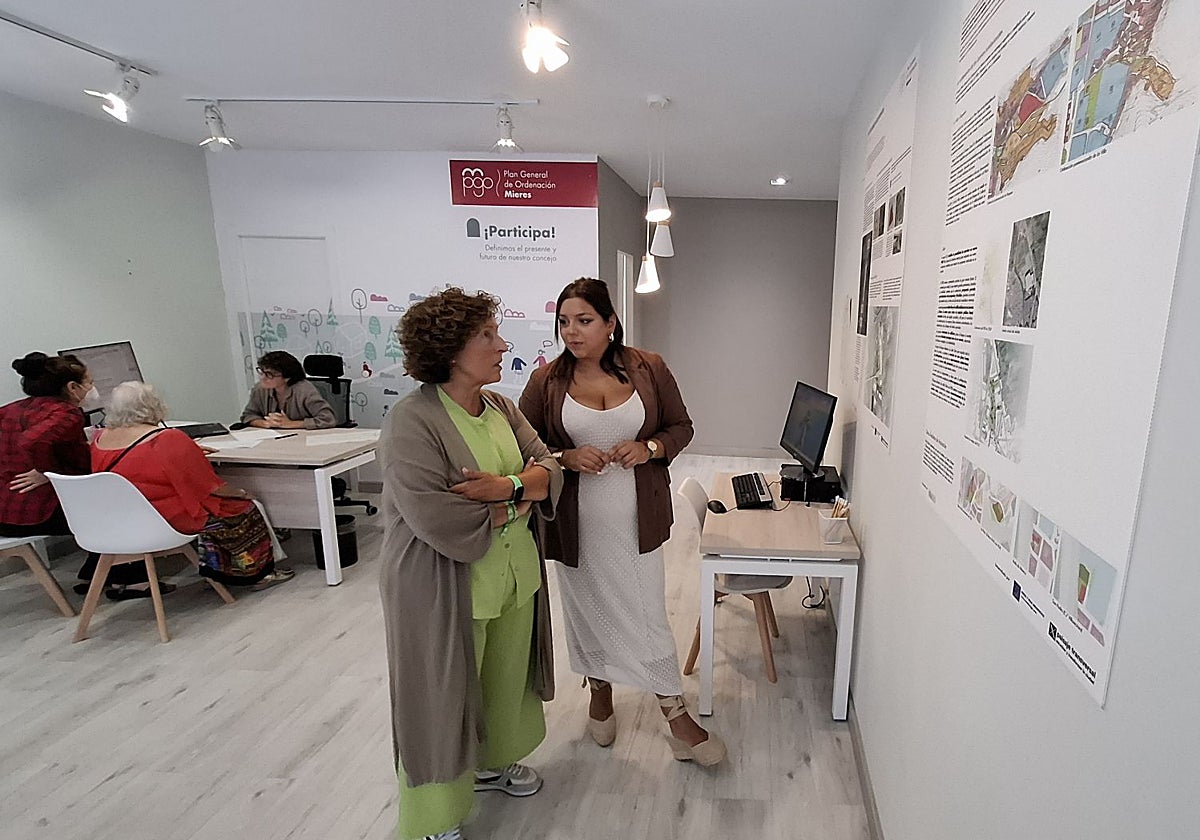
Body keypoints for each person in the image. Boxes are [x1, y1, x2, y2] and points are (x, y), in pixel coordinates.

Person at [379, 287, 562, 840]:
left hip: (511, 579)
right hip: (441, 584)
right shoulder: (411, 421)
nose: (502, 343)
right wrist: (521, 500)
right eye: (488, 335)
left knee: (504, 680)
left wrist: (506, 488)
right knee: (438, 700)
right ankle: (435, 817)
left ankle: (489, 765)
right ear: (452, 349)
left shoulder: (502, 407)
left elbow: (548, 466)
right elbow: (436, 515)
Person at [519, 278, 726, 766]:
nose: (572, 331)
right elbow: (522, 449)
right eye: (564, 321)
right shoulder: (546, 381)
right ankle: (601, 691)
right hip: (576, 528)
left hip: (638, 523)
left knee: (647, 616)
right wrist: (565, 457)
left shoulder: (648, 367)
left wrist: (649, 447)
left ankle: (675, 715)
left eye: (584, 321)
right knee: (588, 611)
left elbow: (681, 426)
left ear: (610, 323)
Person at [91, 381, 293, 591]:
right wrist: (241, 493)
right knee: (246, 507)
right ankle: (258, 574)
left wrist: (188, 452)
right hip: (168, 520)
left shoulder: (100, 439)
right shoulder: (168, 438)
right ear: (153, 406)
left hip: (123, 520)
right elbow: (211, 487)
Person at [0, 352, 138, 593]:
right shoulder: (66, 413)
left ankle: (94, 575)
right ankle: (128, 581)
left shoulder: (10, 410)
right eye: (89, 382)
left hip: (5, 511)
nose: (92, 388)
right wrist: (47, 471)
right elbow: (32, 441)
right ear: (73, 387)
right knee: (119, 507)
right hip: (30, 514)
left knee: (96, 503)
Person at [240, 350, 337, 430]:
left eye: (269, 374)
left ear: (287, 377)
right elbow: (248, 415)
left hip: (305, 440)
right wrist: (265, 423)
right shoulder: (260, 389)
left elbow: (328, 419)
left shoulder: (304, 390)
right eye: (262, 372)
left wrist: (291, 424)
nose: (263, 378)